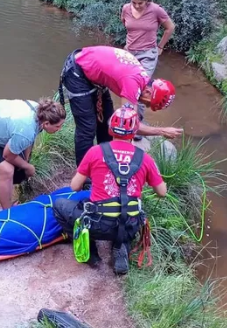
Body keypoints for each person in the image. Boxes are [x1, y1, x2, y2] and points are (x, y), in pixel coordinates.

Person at [53, 106, 167, 275]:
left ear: (110, 128)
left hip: (97, 224)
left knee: (59, 205)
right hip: (130, 224)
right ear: (134, 131)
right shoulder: (145, 158)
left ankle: (91, 253)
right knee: (129, 213)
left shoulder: (95, 152)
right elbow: (162, 192)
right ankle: (121, 246)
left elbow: (74, 187)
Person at [58, 45, 182, 166]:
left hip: (94, 76)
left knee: (107, 121)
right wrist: (161, 131)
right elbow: (129, 125)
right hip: (77, 72)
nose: (146, 106)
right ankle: (84, 177)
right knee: (87, 128)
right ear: (149, 92)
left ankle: (104, 163)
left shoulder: (141, 78)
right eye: (149, 103)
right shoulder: (132, 83)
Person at [0, 97, 66, 210]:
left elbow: (28, 140)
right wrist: (28, 167)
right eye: (58, 126)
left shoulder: (41, 112)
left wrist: (25, 160)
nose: (59, 129)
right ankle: (6, 212)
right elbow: (8, 155)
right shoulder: (26, 129)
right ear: (46, 124)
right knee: (6, 170)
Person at [121, 0, 175, 121]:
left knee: (140, 87)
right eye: (134, 3)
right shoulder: (126, 8)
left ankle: (137, 122)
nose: (137, 6)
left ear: (147, 1)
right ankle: (126, 118)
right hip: (129, 53)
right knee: (128, 86)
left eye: (141, 3)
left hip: (147, 55)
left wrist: (160, 46)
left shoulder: (156, 10)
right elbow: (126, 25)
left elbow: (170, 28)